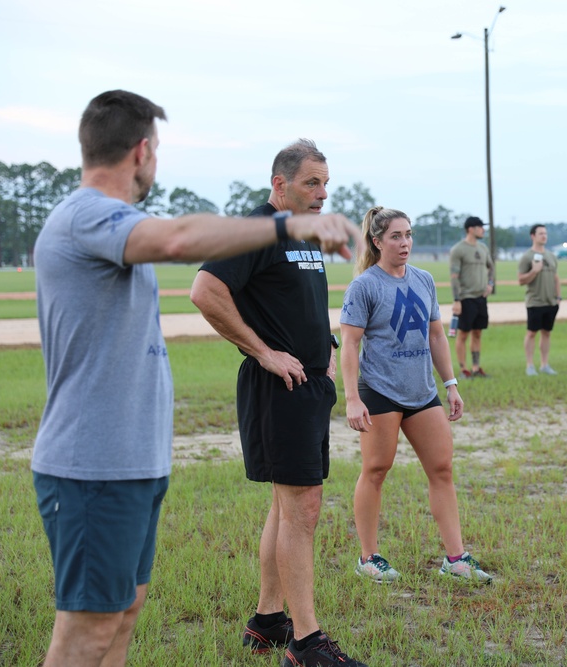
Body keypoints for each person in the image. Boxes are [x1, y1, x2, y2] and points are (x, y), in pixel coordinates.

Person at [30, 90, 358, 667]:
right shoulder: (88, 215)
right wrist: (284, 230)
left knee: (122, 614)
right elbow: (183, 245)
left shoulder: (112, 224)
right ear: (142, 151)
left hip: (129, 462)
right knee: (85, 633)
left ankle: (271, 620)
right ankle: (300, 639)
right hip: (93, 463)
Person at [190, 139, 366, 667]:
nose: (322, 193)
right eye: (312, 182)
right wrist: (264, 352)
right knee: (303, 508)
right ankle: (307, 645)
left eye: (326, 182)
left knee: (286, 506)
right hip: (279, 387)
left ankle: (268, 622)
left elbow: (295, 300)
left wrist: (325, 346)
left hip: (310, 383)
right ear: (280, 184)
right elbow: (205, 291)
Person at [340, 206, 492, 585]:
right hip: (379, 391)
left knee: (442, 469)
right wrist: (352, 399)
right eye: (395, 236)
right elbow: (349, 345)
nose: (405, 242)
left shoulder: (423, 280)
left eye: (408, 235)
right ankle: (368, 557)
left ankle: (456, 559)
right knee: (375, 470)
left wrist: (451, 383)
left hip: (422, 392)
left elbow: (437, 335)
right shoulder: (364, 286)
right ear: (377, 242)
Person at [449, 216, 495, 378]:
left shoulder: (483, 248)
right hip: (465, 298)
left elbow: (491, 267)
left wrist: (490, 284)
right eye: (480, 227)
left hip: (481, 298)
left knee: (477, 333)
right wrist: (457, 300)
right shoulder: (458, 249)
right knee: (463, 334)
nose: (483, 230)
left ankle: (476, 368)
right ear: (470, 229)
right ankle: (463, 369)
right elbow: (454, 276)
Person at [517, 224, 561, 376]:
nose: (544, 236)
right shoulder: (527, 256)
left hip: (551, 301)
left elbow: (556, 277)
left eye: (545, 233)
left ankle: (544, 364)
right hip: (535, 301)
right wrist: (534, 272)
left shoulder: (551, 256)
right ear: (533, 236)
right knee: (531, 333)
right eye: (541, 233)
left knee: (546, 333)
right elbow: (521, 280)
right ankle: (530, 365)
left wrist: (558, 296)